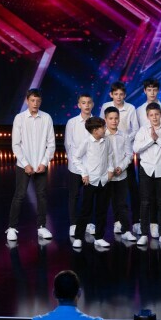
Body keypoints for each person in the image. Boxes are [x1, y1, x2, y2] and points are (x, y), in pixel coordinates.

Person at [6, 88, 56, 242]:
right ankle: (12, 228)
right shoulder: (19, 118)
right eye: (32, 100)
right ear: (27, 101)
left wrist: (44, 162)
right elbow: (16, 144)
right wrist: (26, 164)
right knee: (19, 195)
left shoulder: (46, 118)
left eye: (38, 101)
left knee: (42, 195)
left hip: (41, 164)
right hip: (24, 165)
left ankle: (41, 226)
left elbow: (51, 144)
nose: (35, 103)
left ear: (41, 102)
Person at [99, 81, 140, 235]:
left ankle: (135, 222)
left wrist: (124, 139)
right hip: (109, 151)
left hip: (125, 151)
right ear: (111, 94)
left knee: (130, 189)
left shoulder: (130, 108)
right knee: (109, 192)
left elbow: (135, 129)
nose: (118, 97)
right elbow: (101, 126)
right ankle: (117, 222)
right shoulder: (105, 107)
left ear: (125, 95)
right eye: (115, 94)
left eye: (121, 94)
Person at [133, 102, 161, 246]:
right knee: (145, 202)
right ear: (147, 116)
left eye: (157, 114)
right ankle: (144, 234)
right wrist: (151, 140)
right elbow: (136, 148)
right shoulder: (142, 131)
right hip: (146, 169)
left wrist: (158, 139)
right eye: (151, 115)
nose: (154, 117)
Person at [72, 116, 113, 248]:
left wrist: (110, 170)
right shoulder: (87, 142)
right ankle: (78, 237)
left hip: (104, 180)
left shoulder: (106, 140)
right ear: (95, 130)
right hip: (91, 181)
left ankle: (99, 237)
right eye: (103, 127)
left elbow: (110, 155)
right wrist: (84, 173)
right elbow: (76, 158)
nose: (105, 129)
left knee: (102, 210)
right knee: (86, 210)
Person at [104, 106, 137, 242]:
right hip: (106, 177)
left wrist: (121, 167)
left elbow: (129, 154)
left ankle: (126, 230)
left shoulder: (124, 136)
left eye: (116, 118)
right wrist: (110, 169)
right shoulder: (102, 136)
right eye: (111, 118)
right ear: (105, 119)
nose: (114, 121)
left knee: (122, 203)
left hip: (121, 175)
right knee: (104, 204)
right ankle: (100, 234)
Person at [66, 93, 96, 238]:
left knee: (89, 196)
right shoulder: (72, 123)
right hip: (75, 167)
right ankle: (73, 224)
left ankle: (89, 223)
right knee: (74, 196)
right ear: (79, 105)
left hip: (92, 167)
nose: (87, 105)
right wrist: (76, 163)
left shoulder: (98, 122)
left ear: (93, 104)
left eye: (89, 102)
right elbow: (68, 145)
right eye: (83, 103)